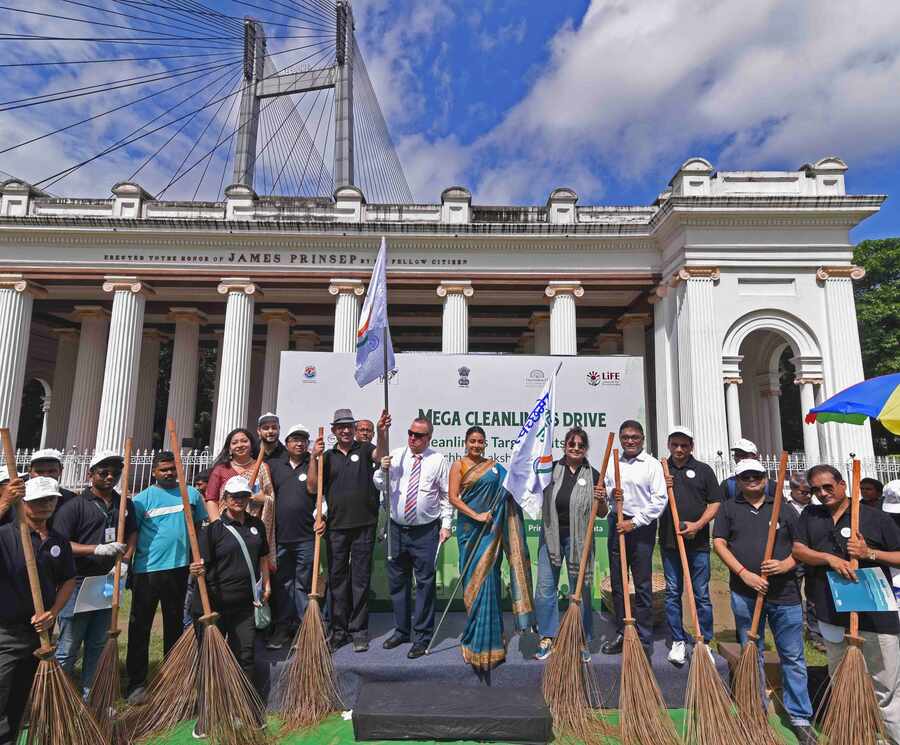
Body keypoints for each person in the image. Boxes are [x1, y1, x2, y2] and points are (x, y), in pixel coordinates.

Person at [792, 464, 900, 743]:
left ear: (843, 485)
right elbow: (799, 549)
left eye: (828, 486)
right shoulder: (811, 514)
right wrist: (829, 559)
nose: (823, 493)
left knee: (885, 685)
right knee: (841, 680)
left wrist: (869, 553)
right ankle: (853, 733)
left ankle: (891, 737)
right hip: (831, 611)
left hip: (875, 612)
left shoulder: (874, 517)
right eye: (816, 489)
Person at [713, 459, 815, 745]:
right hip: (745, 593)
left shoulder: (782, 506)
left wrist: (786, 565)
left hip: (785, 594)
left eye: (756, 475)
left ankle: (800, 717)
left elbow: (801, 546)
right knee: (751, 652)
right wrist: (744, 574)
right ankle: (754, 709)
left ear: (765, 477)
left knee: (793, 656)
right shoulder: (729, 508)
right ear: (738, 480)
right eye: (745, 476)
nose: (751, 480)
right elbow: (719, 543)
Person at [189, 476, 269, 739]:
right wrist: (196, 569)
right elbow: (200, 564)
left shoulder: (257, 525)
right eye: (234, 496)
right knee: (209, 659)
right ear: (224, 499)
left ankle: (246, 709)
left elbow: (263, 556)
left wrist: (266, 584)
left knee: (245, 656)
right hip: (212, 607)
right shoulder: (213, 530)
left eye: (243, 496)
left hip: (244, 605)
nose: (239, 501)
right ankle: (207, 714)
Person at [448, 426, 534, 670]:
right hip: (470, 531)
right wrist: (476, 515)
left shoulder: (495, 467)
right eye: (472, 441)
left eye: (480, 441)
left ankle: (493, 641)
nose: (476, 445)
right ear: (466, 443)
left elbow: (511, 486)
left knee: (491, 582)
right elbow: (453, 498)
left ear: (485, 443)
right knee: (474, 583)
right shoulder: (459, 466)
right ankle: (474, 640)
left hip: (491, 532)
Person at [52, 450, 137, 697]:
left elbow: (132, 532)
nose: (110, 477)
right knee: (68, 646)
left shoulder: (124, 504)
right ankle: (61, 699)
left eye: (115, 473)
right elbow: (61, 543)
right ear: (91, 474)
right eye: (104, 472)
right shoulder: (74, 506)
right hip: (78, 583)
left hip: (107, 582)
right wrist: (95, 548)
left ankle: (92, 697)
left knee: (98, 644)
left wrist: (125, 560)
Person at [125, 451, 207, 702]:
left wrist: (197, 557)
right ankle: (137, 683)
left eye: (172, 468)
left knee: (174, 625)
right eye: (164, 469)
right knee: (140, 626)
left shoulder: (191, 495)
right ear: (154, 472)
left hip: (179, 569)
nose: (169, 473)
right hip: (147, 570)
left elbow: (199, 528)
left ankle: (173, 677)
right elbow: (133, 533)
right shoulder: (142, 500)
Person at [0, 477, 76, 745]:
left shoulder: (58, 542)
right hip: (5, 632)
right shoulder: (6, 535)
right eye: (38, 500)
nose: (46, 505)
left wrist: (53, 612)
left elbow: (68, 579)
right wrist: (3, 503)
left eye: (50, 499)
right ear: (23, 502)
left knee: (21, 696)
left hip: (39, 633)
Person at [308, 409, 389, 652]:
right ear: (334, 430)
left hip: (364, 524)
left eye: (349, 426)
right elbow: (313, 488)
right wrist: (313, 457)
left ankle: (359, 630)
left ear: (354, 429)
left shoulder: (364, 449)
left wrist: (381, 432)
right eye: (340, 427)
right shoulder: (327, 456)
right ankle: (339, 630)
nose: (345, 430)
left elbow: (381, 455)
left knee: (360, 579)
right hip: (336, 527)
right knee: (337, 580)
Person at [375, 417, 451, 659]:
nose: (412, 438)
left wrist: (446, 525)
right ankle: (401, 631)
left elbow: (446, 495)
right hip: (396, 529)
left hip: (425, 532)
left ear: (428, 438)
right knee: (398, 582)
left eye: (418, 435)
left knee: (425, 584)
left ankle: (422, 637)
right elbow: (380, 485)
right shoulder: (396, 456)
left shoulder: (438, 460)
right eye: (410, 433)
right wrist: (382, 470)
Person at [533, 427, 606, 663]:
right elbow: (533, 491)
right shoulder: (551, 470)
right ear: (564, 446)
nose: (575, 448)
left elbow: (603, 513)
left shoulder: (594, 475)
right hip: (551, 537)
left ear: (586, 449)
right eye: (571, 444)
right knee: (545, 588)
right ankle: (547, 637)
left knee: (580, 590)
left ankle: (581, 638)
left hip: (580, 541)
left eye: (580, 445)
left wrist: (601, 498)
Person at [601, 420, 666, 658]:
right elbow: (606, 491)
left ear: (642, 439)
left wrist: (635, 522)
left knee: (642, 584)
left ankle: (644, 638)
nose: (630, 441)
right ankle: (623, 631)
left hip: (641, 528)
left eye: (635, 437)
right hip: (617, 523)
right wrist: (610, 493)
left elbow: (659, 500)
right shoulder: (613, 462)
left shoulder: (651, 465)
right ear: (620, 439)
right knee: (618, 582)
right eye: (626, 437)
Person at [659, 427, 721, 665]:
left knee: (701, 594)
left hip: (698, 544)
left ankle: (703, 642)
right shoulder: (661, 470)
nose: (679, 449)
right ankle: (677, 640)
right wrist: (661, 485)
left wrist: (698, 525)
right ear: (668, 445)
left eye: (684, 445)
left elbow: (715, 503)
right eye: (675, 444)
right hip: (669, 543)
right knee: (673, 592)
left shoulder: (703, 470)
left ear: (691, 446)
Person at [267, 423, 322, 650]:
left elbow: (314, 490)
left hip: (306, 537)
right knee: (282, 585)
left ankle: (304, 629)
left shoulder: (315, 463)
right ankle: (282, 628)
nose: (299, 443)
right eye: (294, 439)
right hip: (280, 538)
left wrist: (314, 459)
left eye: (303, 440)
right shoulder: (274, 466)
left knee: (303, 585)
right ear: (286, 443)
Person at [206, 429, 275, 563]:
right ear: (229, 448)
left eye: (244, 441)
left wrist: (264, 500)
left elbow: (270, 497)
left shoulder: (262, 467)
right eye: (235, 442)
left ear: (251, 445)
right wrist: (218, 525)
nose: (240, 445)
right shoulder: (221, 470)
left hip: (253, 527)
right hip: (227, 526)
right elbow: (211, 499)